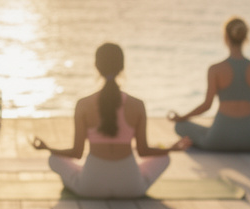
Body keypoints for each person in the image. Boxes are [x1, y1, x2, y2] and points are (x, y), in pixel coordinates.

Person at [31, 42, 189, 198]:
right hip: (131, 187)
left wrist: (47, 148)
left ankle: (76, 178)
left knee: (54, 159)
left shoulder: (83, 105)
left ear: (96, 66)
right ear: (122, 67)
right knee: (164, 157)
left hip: (90, 187)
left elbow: (76, 153)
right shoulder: (137, 105)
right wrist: (171, 149)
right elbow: (143, 151)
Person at [168, 17, 250, 151]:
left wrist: (182, 117)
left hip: (219, 138)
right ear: (246, 37)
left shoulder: (215, 69)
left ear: (225, 37)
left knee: (180, 126)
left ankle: (206, 138)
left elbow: (206, 105)